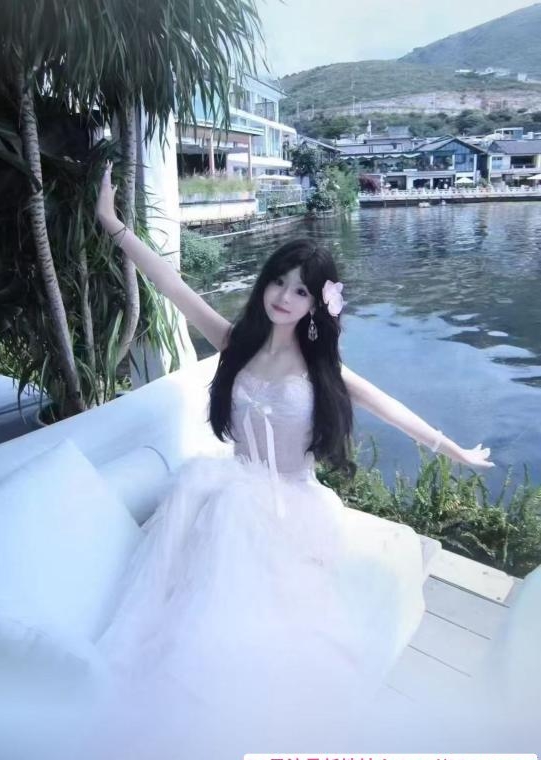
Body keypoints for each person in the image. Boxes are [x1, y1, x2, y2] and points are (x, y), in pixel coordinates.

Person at [93, 162, 494, 758]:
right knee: (200, 612)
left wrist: (450, 448)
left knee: (279, 631)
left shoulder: (322, 370)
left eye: (301, 290)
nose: (284, 296)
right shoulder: (236, 342)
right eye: (278, 282)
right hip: (227, 491)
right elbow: (173, 286)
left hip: (292, 504)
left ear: (318, 303)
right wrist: (113, 225)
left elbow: (388, 407)